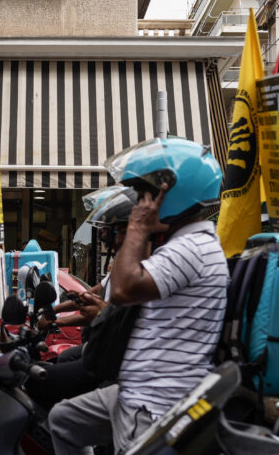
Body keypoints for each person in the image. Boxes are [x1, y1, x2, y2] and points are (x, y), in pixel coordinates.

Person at [48, 138, 227, 454]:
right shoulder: (180, 245)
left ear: (173, 194)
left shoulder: (192, 248)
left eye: (145, 195)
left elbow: (122, 290)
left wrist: (137, 228)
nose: (139, 204)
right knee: (63, 419)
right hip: (137, 390)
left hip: (156, 403)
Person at [28, 186, 137, 411]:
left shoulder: (136, 269)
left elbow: (98, 313)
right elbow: (90, 295)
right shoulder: (119, 266)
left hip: (109, 354)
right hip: (99, 345)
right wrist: (56, 310)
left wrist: (56, 320)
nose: (107, 237)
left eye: (113, 230)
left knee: (44, 387)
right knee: (60, 361)